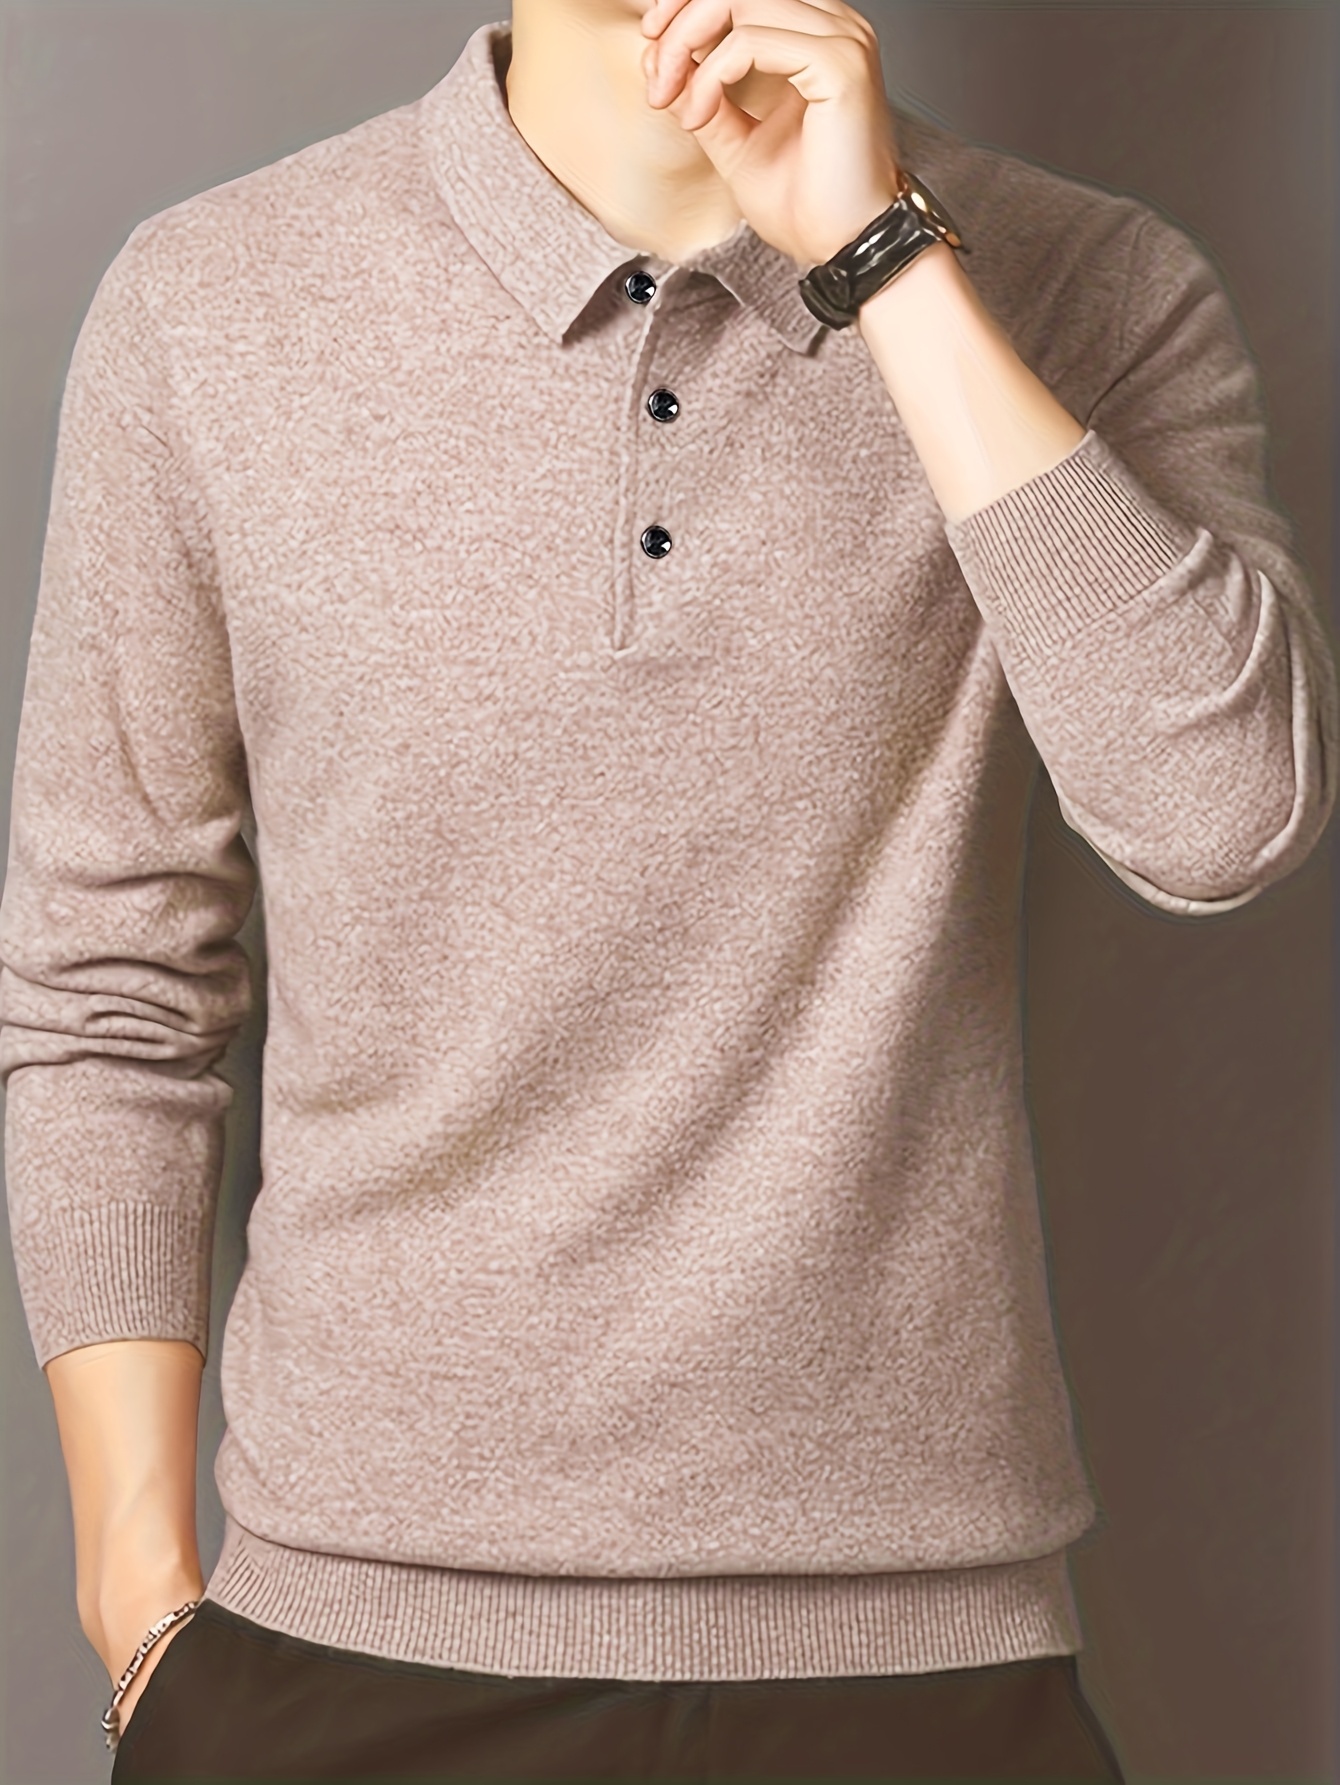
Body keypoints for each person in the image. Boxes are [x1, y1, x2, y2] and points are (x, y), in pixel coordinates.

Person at [2, 0, 1334, 1778]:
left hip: (918, 1653)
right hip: (339, 1649)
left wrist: (885, 258)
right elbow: (108, 980)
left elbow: (1221, 815)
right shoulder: (212, 305)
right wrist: (137, 1586)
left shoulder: (1090, 285)